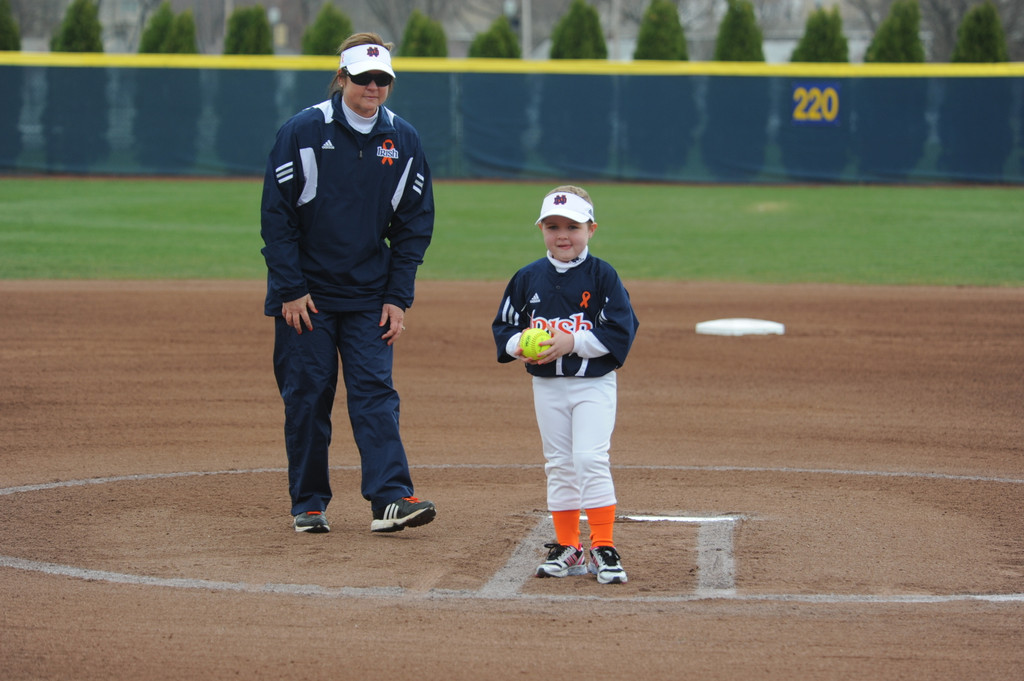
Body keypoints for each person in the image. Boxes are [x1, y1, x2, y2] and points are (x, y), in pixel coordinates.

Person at [260, 32, 436, 535]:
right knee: (308, 396)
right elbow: (277, 218)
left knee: (376, 393)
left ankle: (391, 500)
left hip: (367, 295)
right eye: (363, 78)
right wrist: (290, 288)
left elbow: (413, 225)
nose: (373, 87)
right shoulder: (303, 130)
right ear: (343, 78)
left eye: (383, 79)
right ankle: (309, 503)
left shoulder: (403, 140)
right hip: (306, 297)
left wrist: (398, 296)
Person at [492, 186, 639, 584]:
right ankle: (569, 546)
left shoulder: (603, 276)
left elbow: (622, 330)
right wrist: (519, 343)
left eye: (573, 226)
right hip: (548, 387)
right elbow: (504, 327)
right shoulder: (527, 278)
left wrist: (572, 342)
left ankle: (603, 545)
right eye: (553, 226)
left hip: (593, 384)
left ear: (591, 229)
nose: (563, 235)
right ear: (541, 228)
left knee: (589, 458)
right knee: (558, 464)